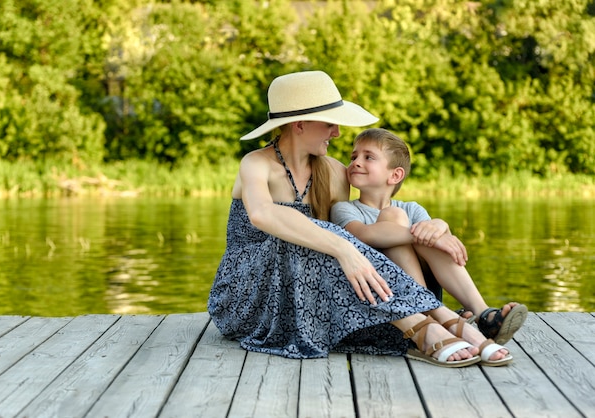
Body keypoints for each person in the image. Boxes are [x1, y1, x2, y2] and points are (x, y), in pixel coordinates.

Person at [208, 70, 512, 368]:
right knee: (299, 235)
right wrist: (344, 249)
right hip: (245, 297)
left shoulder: (334, 173)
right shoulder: (256, 163)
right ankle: (434, 324)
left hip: (302, 291)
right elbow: (263, 214)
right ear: (299, 125)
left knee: (330, 236)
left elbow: (363, 227)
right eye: (329, 124)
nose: (337, 133)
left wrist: (435, 228)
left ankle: (435, 319)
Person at [330, 128, 528, 345]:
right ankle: (431, 313)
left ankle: (484, 315)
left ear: (395, 175)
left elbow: (437, 244)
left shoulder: (412, 209)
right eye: (353, 156)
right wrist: (425, 234)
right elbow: (363, 235)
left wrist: (441, 227)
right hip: (383, 295)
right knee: (399, 219)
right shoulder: (344, 209)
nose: (356, 162)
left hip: (421, 289)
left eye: (368, 157)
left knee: (425, 231)